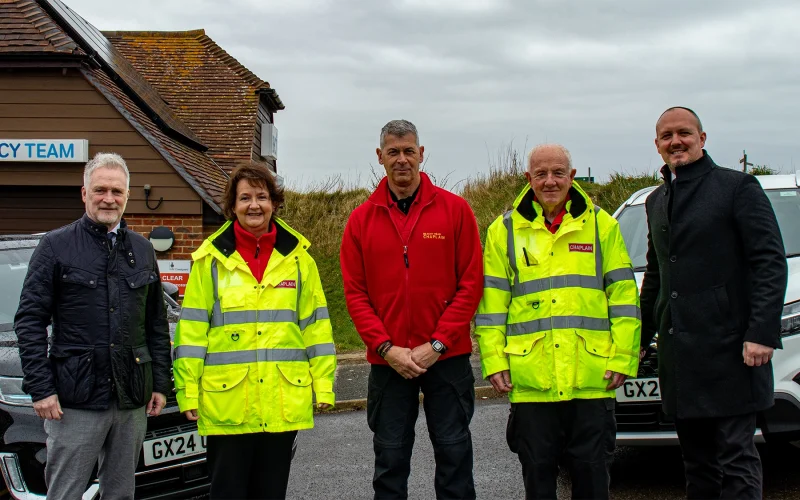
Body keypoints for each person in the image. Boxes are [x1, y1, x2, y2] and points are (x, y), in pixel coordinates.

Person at [475, 144, 641, 500]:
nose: (550, 182)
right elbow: (491, 307)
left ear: (572, 176)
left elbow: (624, 298)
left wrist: (623, 357)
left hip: (592, 380)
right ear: (528, 178)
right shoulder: (503, 231)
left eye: (558, 173)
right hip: (532, 380)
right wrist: (493, 360)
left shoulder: (601, 225)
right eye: (541, 174)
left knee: (593, 484)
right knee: (538, 484)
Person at [640, 107, 788, 499]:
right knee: (698, 465)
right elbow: (656, 276)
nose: (676, 142)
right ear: (657, 146)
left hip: (732, 352)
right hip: (682, 359)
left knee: (736, 460)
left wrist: (761, 333)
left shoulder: (738, 187)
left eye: (684, 133)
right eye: (667, 136)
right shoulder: (655, 201)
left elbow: (768, 262)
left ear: (702, 139)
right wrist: (638, 337)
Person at [173, 161, 336, 499]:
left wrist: (323, 384)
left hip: (281, 401)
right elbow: (191, 333)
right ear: (232, 206)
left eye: (261, 197)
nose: (254, 206)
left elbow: (316, 327)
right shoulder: (210, 261)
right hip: (227, 403)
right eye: (244, 198)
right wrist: (187, 390)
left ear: (274, 203)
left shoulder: (299, 259)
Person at [15, 152, 172, 499]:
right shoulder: (55, 246)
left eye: (117, 191)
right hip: (75, 401)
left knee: (121, 493)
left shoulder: (143, 250)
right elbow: (29, 321)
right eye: (100, 189)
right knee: (66, 492)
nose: (109, 198)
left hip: (131, 399)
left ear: (127, 196)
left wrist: (159, 383)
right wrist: (40, 388)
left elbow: (156, 324)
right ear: (84, 193)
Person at [340, 119, 483, 499]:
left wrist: (436, 344)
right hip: (389, 362)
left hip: (447, 359)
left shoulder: (455, 211)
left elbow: (470, 286)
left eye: (408, 151)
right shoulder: (359, 220)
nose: (401, 160)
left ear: (421, 154)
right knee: (389, 460)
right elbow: (355, 295)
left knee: (454, 455)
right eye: (393, 152)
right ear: (379, 157)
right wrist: (388, 348)